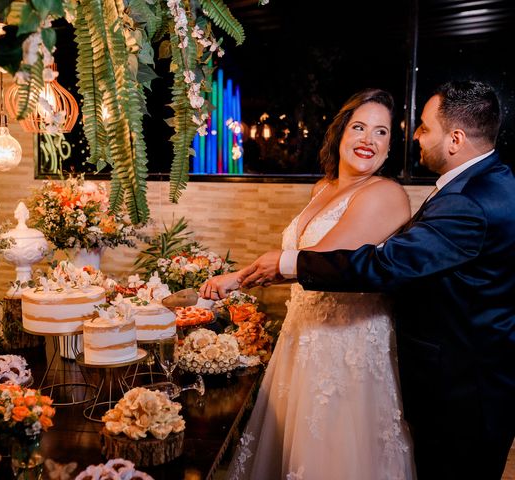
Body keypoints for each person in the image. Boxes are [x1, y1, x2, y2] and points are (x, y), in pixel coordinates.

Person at [224, 80, 515, 480]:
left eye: (424, 127)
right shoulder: (479, 183)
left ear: (456, 139)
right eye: (360, 127)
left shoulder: (468, 198)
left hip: (459, 387)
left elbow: (385, 266)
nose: (414, 135)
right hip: (438, 372)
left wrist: (282, 265)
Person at [202, 88, 416, 479]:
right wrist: (238, 279)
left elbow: (316, 262)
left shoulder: (386, 194)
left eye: (381, 132)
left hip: (346, 348)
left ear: (389, 147)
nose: (369, 139)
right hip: (302, 335)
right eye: (360, 127)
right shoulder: (324, 188)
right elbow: (299, 262)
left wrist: (236, 279)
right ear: (340, 134)